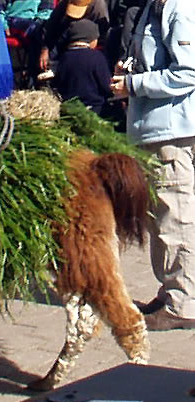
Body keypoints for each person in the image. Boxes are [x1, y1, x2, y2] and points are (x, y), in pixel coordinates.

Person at [110, 0, 195, 330]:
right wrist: (130, 71)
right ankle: (171, 290)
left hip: (171, 134)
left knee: (175, 216)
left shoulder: (178, 7)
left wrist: (134, 85)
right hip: (154, 131)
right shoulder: (153, 7)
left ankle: (181, 303)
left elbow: (188, 71)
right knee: (161, 218)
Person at [52, 19, 112, 114]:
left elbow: (59, 83)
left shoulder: (64, 58)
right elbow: (106, 85)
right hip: (94, 109)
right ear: (90, 39)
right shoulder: (97, 57)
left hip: (69, 109)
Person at [38, 0, 110, 75]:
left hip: (89, 45)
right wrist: (44, 49)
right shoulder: (64, 4)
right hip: (65, 39)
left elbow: (102, 36)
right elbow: (50, 27)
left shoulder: (99, 8)